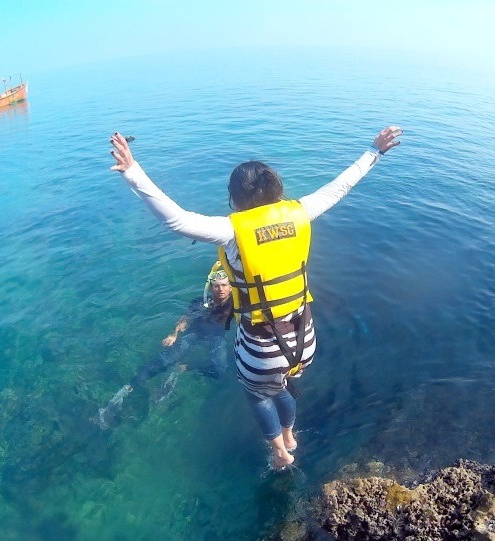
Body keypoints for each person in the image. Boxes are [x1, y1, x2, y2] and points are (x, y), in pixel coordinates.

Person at [109, 126, 402, 468]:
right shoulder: (301, 211)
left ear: (235, 198)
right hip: (304, 337)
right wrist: (374, 151)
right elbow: (339, 187)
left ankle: (281, 453)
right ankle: (290, 434)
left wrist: (132, 171)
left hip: (262, 347)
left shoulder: (232, 231)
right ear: (276, 189)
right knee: (285, 385)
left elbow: (176, 220)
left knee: (260, 395)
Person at [92, 268, 233, 429]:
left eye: (224, 285)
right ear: (211, 287)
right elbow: (185, 319)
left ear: (230, 287)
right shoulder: (200, 301)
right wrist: (174, 334)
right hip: (193, 334)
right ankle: (127, 388)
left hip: (216, 338)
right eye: (216, 286)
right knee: (163, 361)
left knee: (220, 370)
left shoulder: (235, 304)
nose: (220, 289)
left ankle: (184, 367)